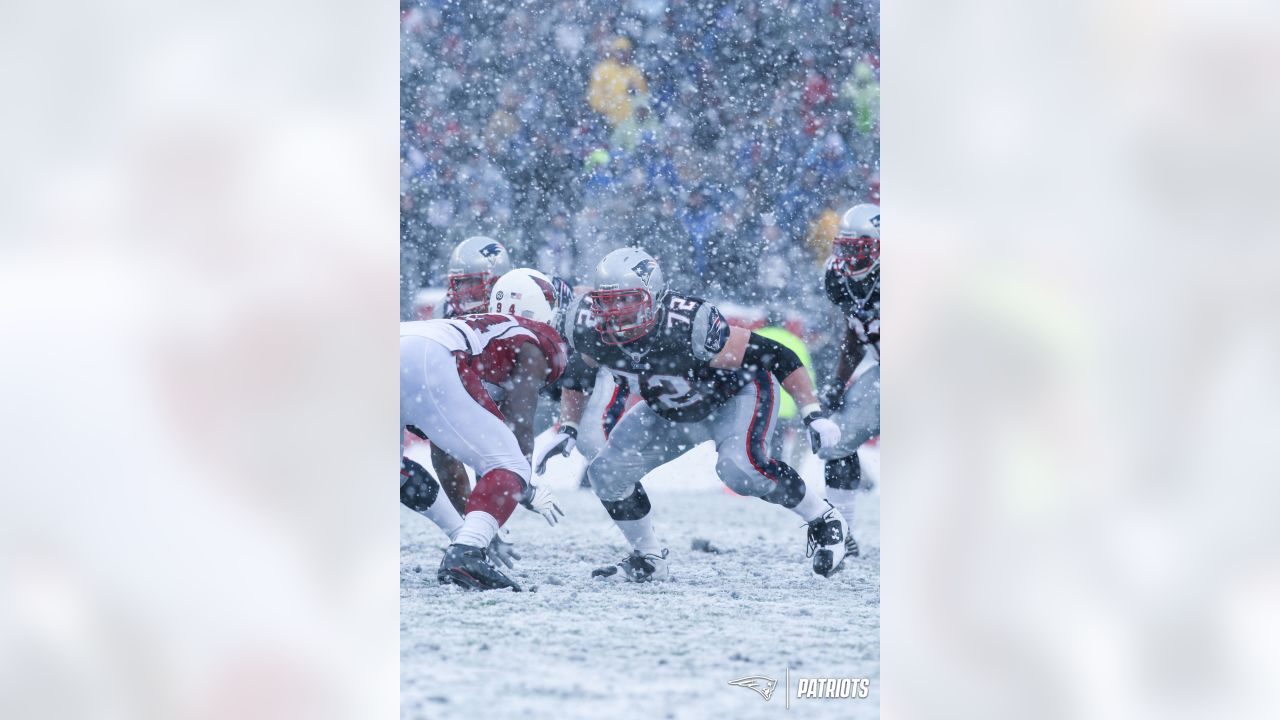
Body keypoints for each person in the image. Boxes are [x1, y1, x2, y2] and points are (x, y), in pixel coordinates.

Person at [543, 247, 849, 582]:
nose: (614, 312)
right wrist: (569, 427)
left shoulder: (687, 324)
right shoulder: (589, 327)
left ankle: (824, 518)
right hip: (668, 410)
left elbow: (779, 354)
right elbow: (579, 374)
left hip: (733, 396)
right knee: (606, 472)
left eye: (627, 300)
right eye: (606, 301)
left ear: (654, 298)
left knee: (739, 470)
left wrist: (813, 413)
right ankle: (649, 559)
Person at [400, 268, 572, 590]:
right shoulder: (532, 337)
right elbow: (520, 423)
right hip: (429, 357)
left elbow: (446, 451)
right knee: (510, 464)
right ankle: (466, 552)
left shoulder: (477, 326)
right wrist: (526, 482)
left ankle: (464, 540)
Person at [422, 235, 516, 514]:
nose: (463, 291)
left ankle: (487, 519)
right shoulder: (445, 310)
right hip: (471, 384)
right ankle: (470, 522)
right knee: (443, 446)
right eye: (458, 282)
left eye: (472, 282)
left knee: (493, 451)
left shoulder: (517, 300)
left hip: (513, 383)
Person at [816, 204, 881, 559]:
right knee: (835, 442)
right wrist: (839, 380)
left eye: (861, 249)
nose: (850, 258)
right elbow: (856, 332)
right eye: (846, 248)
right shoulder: (838, 277)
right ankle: (842, 531)